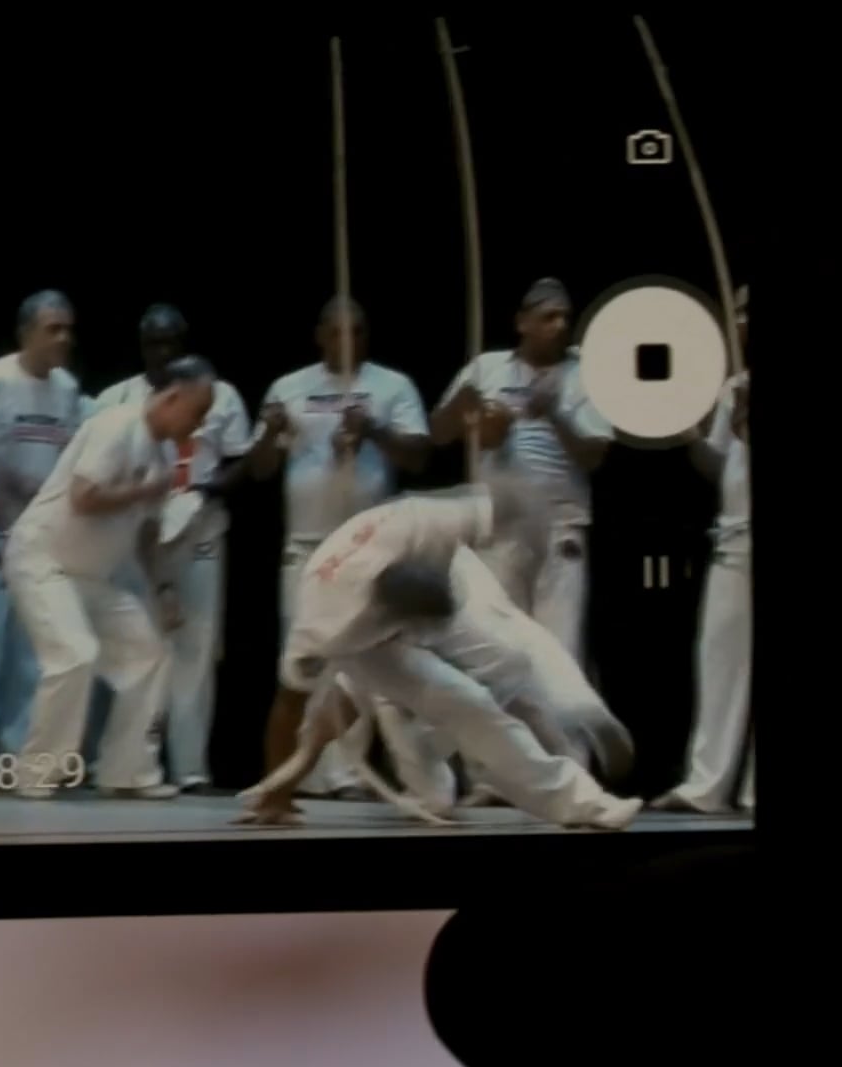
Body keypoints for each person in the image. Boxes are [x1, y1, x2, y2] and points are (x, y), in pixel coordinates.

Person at [240, 482, 638, 831]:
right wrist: (279, 792)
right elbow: (289, 706)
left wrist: (533, 537)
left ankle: (582, 799)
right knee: (467, 702)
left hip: (445, 581)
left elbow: (506, 499)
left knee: (513, 654)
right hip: (372, 644)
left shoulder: (427, 521)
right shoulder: (327, 622)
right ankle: (440, 747)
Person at [252, 296, 444, 803]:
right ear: (319, 334)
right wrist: (270, 434)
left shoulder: (391, 386)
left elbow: (420, 455)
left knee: (361, 661)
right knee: (304, 661)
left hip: (368, 548)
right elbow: (260, 469)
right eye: (337, 331)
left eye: (357, 331)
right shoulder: (289, 388)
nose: (348, 341)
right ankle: (303, 774)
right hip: (306, 546)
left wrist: (374, 429)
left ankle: (350, 774)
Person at [5, 356, 217, 797]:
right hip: (43, 560)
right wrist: (143, 491)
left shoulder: (162, 454)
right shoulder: (117, 425)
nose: (197, 426)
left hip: (91, 577)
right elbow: (85, 496)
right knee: (75, 655)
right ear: (173, 397)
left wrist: (162, 589)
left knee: (149, 653)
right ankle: (36, 772)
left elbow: (146, 534)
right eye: (197, 413)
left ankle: (126, 771)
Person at [86, 306, 258, 790]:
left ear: (185, 343)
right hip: (138, 535)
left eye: (171, 343)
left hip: (199, 531)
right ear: (141, 347)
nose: (162, 353)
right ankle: (126, 760)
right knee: (133, 643)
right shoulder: (116, 398)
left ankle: (190, 767)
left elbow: (240, 460)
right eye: (153, 344)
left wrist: (208, 489)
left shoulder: (219, 393)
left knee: (195, 649)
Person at [433, 279, 614, 695]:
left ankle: (566, 755)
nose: (560, 324)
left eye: (566, 316)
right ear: (522, 322)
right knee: (498, 642)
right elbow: (438, 435)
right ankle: (503, 755)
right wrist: (464, 407)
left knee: (560, 647)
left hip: (560, 527)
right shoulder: (487, 368)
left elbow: (594, 455)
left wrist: (555, 415)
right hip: (498, 527)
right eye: (549, 316)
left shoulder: (584, 375)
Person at [0, 292, 81, 758]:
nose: (63, 338)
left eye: (68, 329)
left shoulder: (68, 389)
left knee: (29, 657)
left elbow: (70, 461)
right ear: (25, 334)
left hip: (40, 542)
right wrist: (5, 524)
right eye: (52, 329)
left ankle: (13, 754)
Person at [657, 311, 752, 816]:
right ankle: (706, 786)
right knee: (718, 657)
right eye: (737, 312)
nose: (741, 321)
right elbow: (719, 467)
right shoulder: (733, 386)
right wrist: (694, 436)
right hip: (735, 536)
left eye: (748, 311)